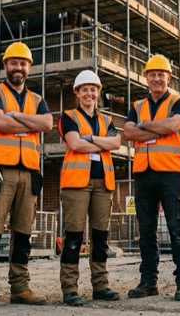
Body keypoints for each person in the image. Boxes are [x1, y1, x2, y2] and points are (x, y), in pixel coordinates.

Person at [0, 42, 53, 310]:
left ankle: (20, 287)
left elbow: (47, 124)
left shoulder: (38, 100)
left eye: (23, 63)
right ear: (5, 65)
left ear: (29, 67)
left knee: (23, 234)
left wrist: (15, 116)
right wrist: (28, 122)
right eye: (13, 63)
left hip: (29, 173)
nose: (18, 67)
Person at [123, 54, 180, 301]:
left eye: (160, 74)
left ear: (168, 77)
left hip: (171, 174)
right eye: (152, 74)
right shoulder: (137, 105)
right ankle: (148, 281)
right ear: (146, 78)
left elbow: (172, 126)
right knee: (146, 230)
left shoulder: (179, 101)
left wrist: (142, 126)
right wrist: (150, 127)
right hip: (143, 174)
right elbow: (127, 132)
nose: (156, 78)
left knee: (177, 228)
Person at [57, 70, 122, 306]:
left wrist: (91, 139)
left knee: (100, 236)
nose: (89, 93)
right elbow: (74, 143)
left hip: (103, 184)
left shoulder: (106, 120)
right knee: (73, 236)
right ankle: (70, 289)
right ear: (77, 92)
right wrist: (100, 142)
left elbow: (116, 143)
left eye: (93, 89)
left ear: (98, 92)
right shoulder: (68, 116)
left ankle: (101, 285)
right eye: (84, 89)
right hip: (76, 184)